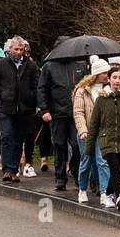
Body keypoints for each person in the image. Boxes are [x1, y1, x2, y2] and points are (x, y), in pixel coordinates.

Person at [0, 37, 39, 184]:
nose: (19, 52)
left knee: (18, 139)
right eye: (16, 49)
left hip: (24, 109)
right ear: (9, 50)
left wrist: (37, 104)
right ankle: (7, 169)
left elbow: (37, 87)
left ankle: (14, 170)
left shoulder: (31, 66)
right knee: (6, 136)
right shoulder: (1, 65)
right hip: (5, 107)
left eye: (21, 50)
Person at [86, 65, 120, 210]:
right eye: (114, 77)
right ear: (109, 79)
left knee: (117, 168)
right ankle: (119, 195)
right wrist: (89, 146)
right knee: (114, 167)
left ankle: (108, 194)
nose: (117, 80)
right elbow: (94, 123)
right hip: (106, 139)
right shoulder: (101, 99)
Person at [37, 38, 84, 192]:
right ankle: (60, 177)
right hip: (57, 113)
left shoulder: (79, 65)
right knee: (59, 145)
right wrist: (44, 109)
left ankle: (77, 173)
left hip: (76, 113)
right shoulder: (49, 66)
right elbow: (42, 88)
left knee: (77, 145)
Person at [73, 56, 113, 204]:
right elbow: (78, 112)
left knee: (103, 162)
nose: (106, 75)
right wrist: (82, 130)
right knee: (86, 161)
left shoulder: (109, 90)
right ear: (97, 74)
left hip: (103, 132)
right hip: (87, 132)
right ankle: (82, 189)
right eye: (104, 73)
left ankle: (104, 193)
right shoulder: (82, 90)